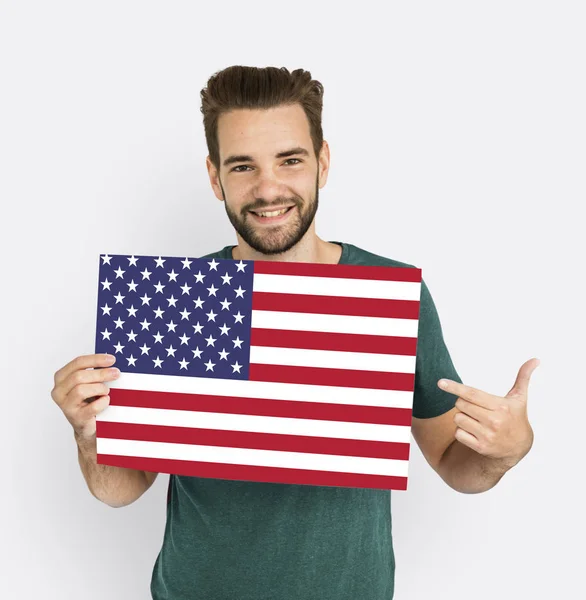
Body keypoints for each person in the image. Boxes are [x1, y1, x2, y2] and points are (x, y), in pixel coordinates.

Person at [51, 66, 539, 600]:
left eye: (290, 160)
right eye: (243, 166)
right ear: (215, 178)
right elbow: (120, 489)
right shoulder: (180, 300)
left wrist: (505, 449)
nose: (268, 189)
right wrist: (87, 433)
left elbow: (455, 465)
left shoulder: (390, 295)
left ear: (322, 163)